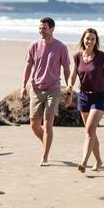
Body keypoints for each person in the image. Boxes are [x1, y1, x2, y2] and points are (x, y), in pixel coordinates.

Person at [67, 28, 104, 172]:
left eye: (93, 39)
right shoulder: (77, 57)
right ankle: (99, 160)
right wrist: (69, 85)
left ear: (96, 41)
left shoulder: (103, 57)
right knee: (91, 131)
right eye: (87, 38)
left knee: (89, 129)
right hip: (83, 97)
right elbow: (72, 75)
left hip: (99, 97)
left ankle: (83, 162)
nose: (90, 41)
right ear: (83, 39)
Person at [21, 17, 70, 166]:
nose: (41, 31)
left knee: (48, 124)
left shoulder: (61, 47)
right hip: (36, 89)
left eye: (44, 28)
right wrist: (23, 86)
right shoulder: (34, 46)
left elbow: (67, 69)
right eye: (40, 28)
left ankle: (44, 157)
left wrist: (69, 88)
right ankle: (46, 142)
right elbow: (28, 67)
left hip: (53, 90)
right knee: (34, 124)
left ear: (52, 29)